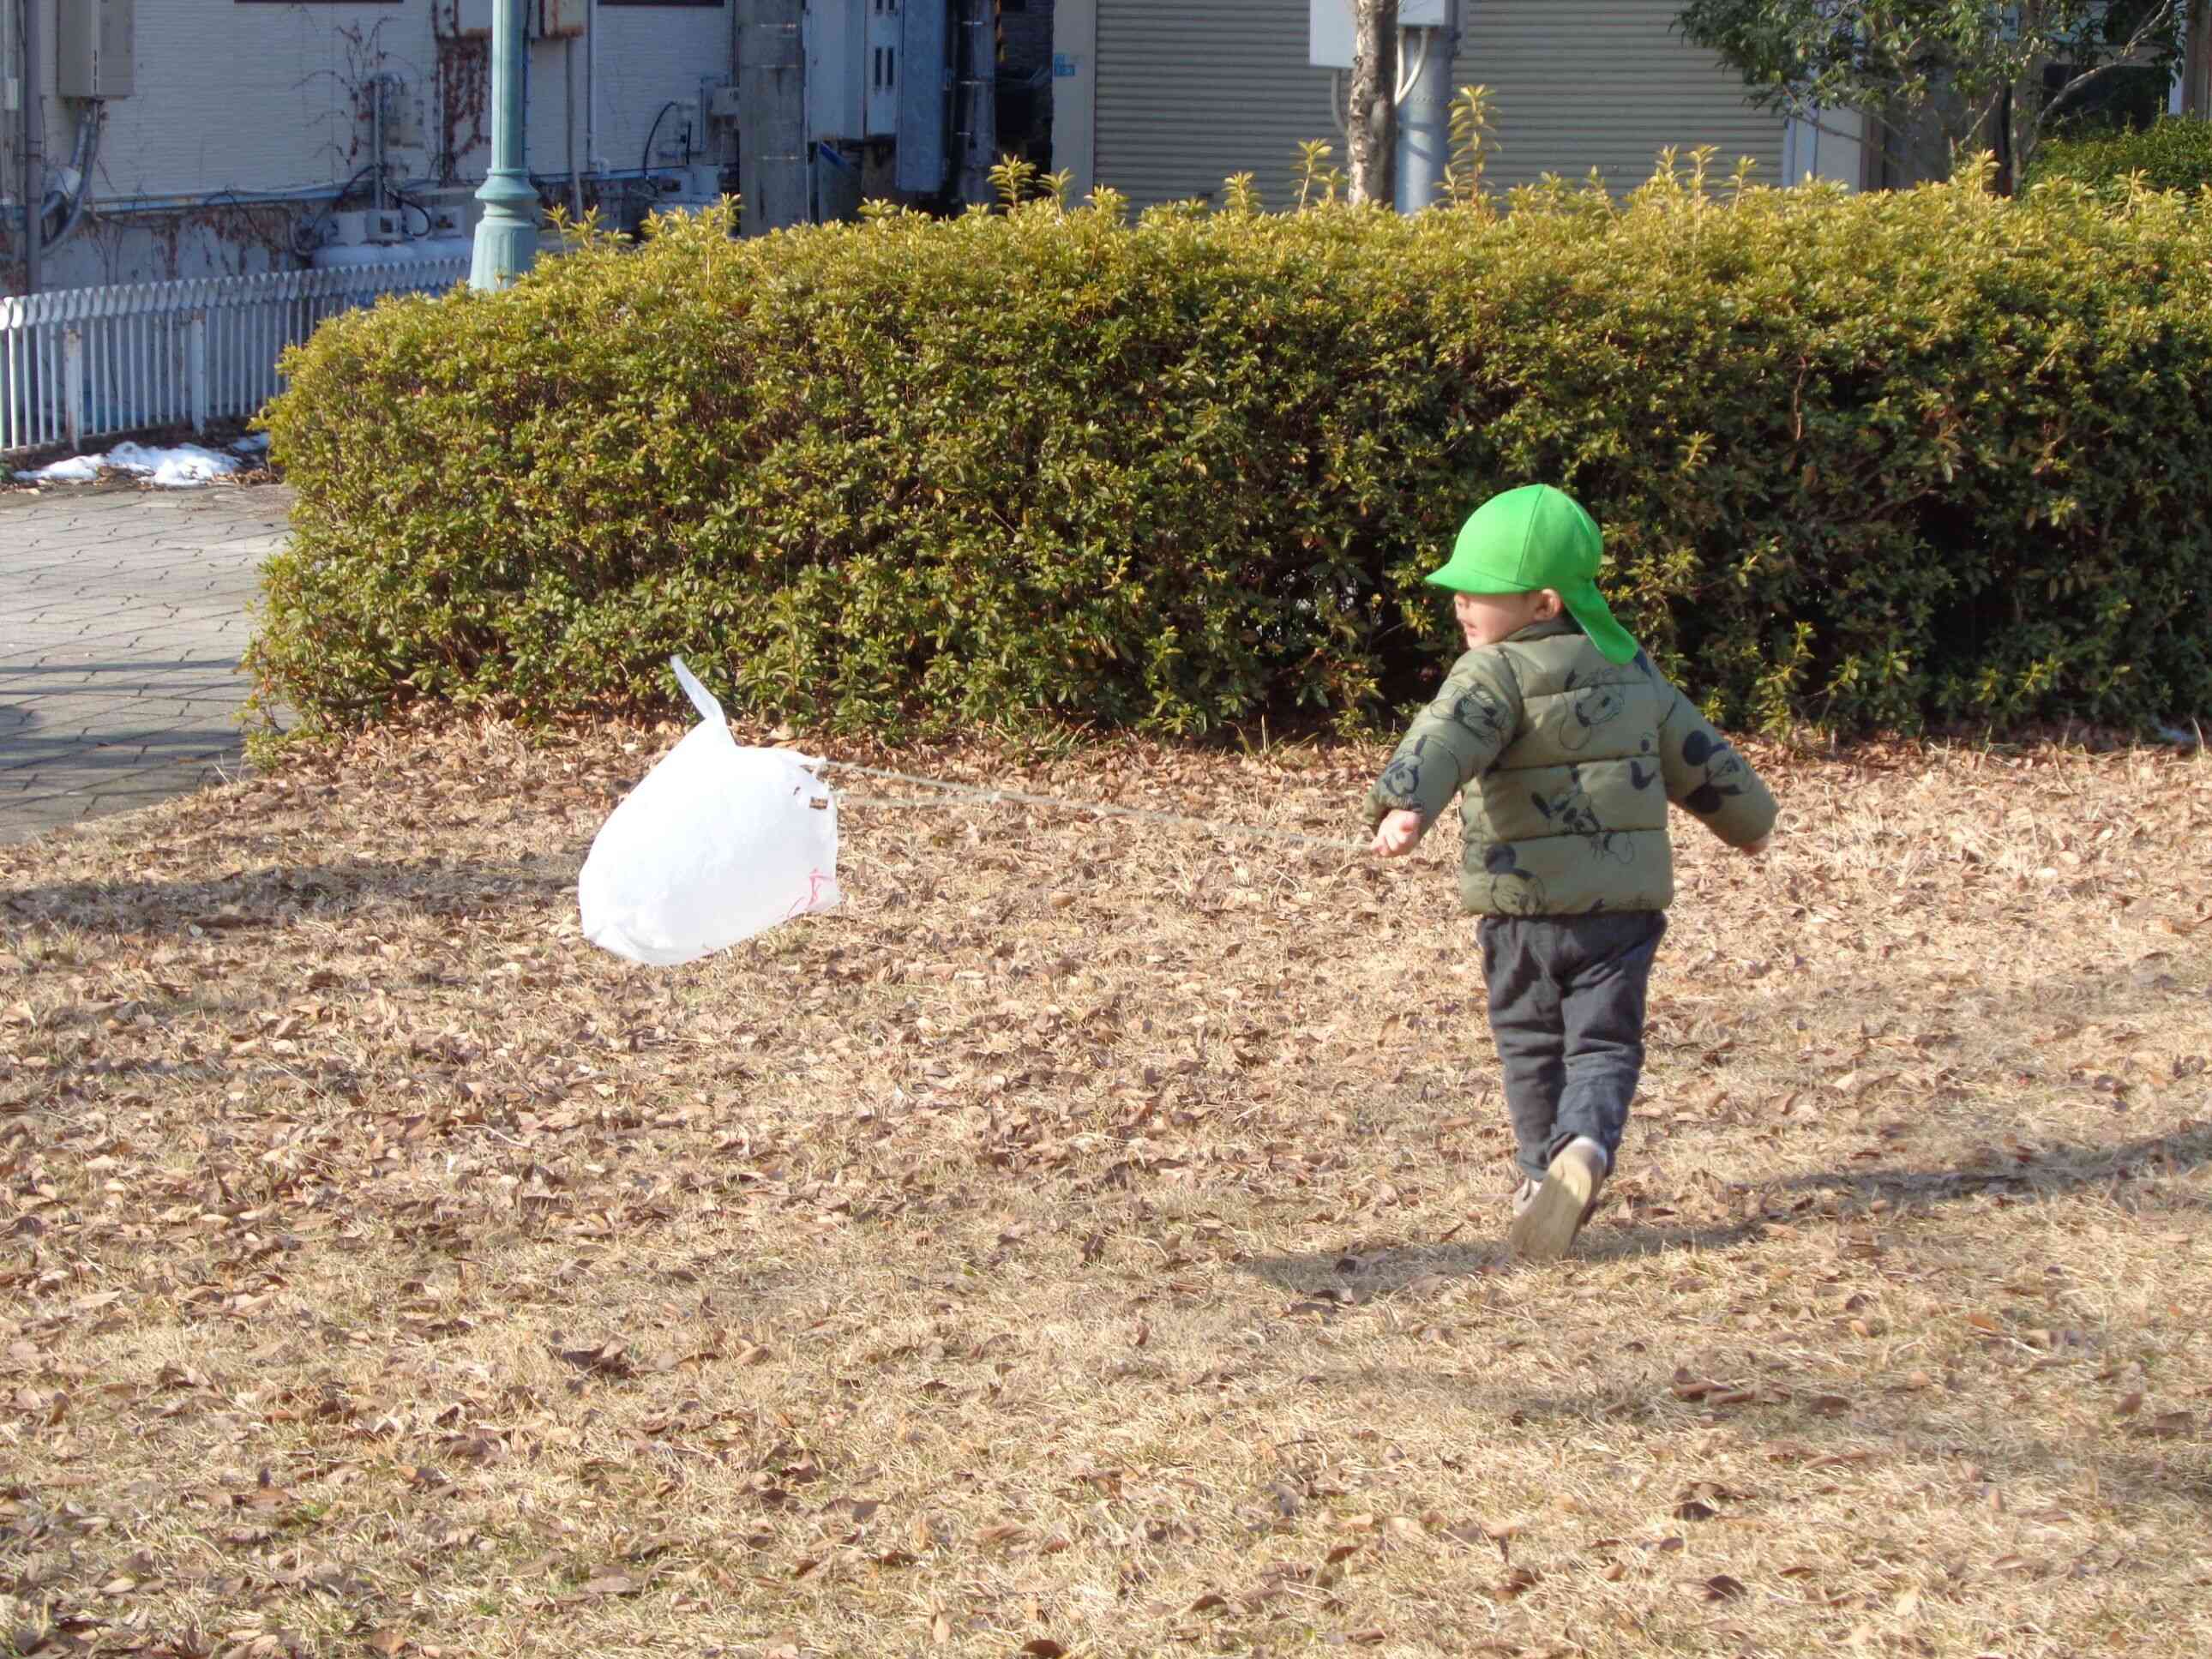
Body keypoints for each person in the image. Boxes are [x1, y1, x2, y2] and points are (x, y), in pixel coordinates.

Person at [1367, 484, 1777, 1261]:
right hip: (1620, 915)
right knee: (1604, 1047)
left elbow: (1444, 737)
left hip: (1521, 909)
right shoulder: (1633, 668)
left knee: (1528, 1040)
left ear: (1543, 602)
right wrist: (1749, 825)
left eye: (1478, 592)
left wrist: (1405, 805)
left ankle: (1534, 1175)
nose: (1459, 604)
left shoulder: (1491, 675)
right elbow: (1700, 754)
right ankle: (1584, 1147)